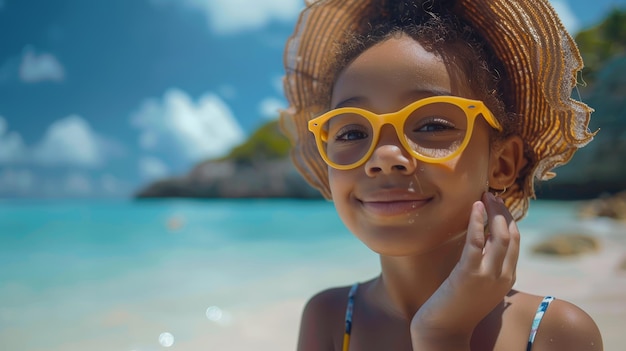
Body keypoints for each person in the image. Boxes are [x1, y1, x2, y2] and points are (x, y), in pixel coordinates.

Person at [279, 0, 603, 350]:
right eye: (352, 133)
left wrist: (442, 336)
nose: (384, 157)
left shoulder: (553, 332)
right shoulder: (329, 316)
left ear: (502, 164)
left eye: (432, 125)